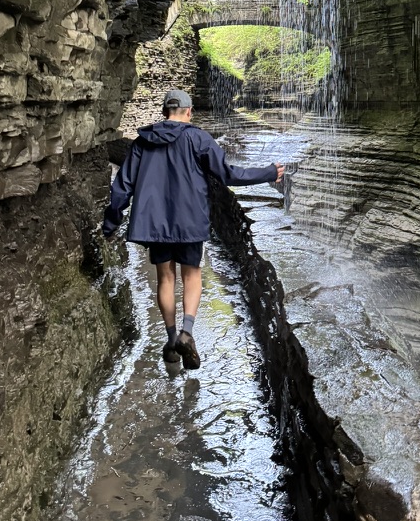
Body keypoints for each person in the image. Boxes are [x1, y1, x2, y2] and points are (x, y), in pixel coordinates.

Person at [102, 89, 284, 369]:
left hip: (155, 223)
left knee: (165, 278)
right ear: (189, 112)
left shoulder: (142, 142)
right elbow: (229, 175)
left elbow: (122, 186)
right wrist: (268, 173)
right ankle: (188, 332)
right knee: (192, 274)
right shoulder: (199, 138)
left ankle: (172, 339)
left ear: (165, 112)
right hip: (190, 220)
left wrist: (112, 221)